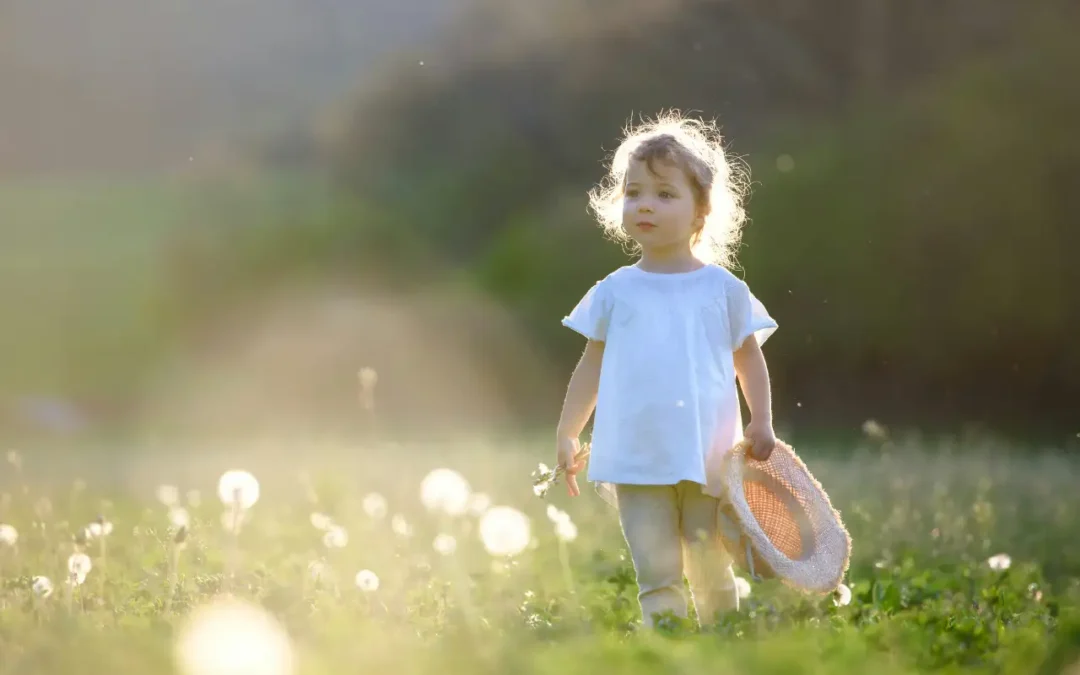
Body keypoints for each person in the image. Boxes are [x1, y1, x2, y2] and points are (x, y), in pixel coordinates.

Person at [555, 111, 779, 629]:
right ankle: (668, 643)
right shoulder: (615, 291)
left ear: (701, 211)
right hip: (636, 455)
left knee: (710, 566)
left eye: (664, 194)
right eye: (633, 193)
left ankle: (724, 640)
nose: (644, 205)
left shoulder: (723, 290)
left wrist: (762, 420)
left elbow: (748, 357)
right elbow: (591, 364)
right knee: (655, 569)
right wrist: (568, 430)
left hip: (708, 452)